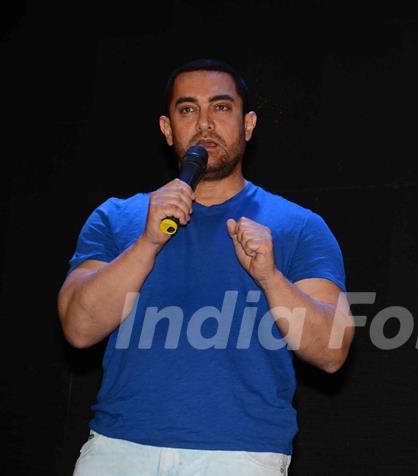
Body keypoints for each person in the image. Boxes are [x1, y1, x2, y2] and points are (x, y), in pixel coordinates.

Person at [58, 58, 354, 475]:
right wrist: (147, 243)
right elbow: (78, 327)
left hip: (239, 454)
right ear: (166, 128)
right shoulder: (118, 218)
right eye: (187, 109)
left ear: (248, 124)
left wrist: (270, 277)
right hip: (117, 449)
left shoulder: (297, 226)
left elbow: (332, 351)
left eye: (221, 107)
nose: (204, 123)